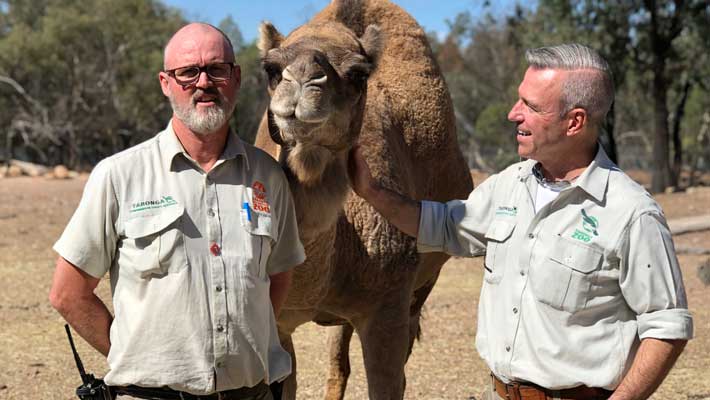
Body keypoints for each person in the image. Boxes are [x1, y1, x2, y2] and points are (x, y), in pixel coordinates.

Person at [348, 43, 693, 400]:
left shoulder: (632, 212)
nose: (514, 113)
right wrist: (372, 191)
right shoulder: (509, 184)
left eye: (532, 106)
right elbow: (444, 226)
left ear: (574, 121)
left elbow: (667, 328)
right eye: (519, 100)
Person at [49, 23, 305, 400]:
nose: (203, 82)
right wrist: (135, 357)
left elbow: (279, 274)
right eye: (188, 72)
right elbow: (67, 293)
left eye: (216, 69)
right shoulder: (119, 175)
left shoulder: (268, 176)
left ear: (235, 78)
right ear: (166, 83)